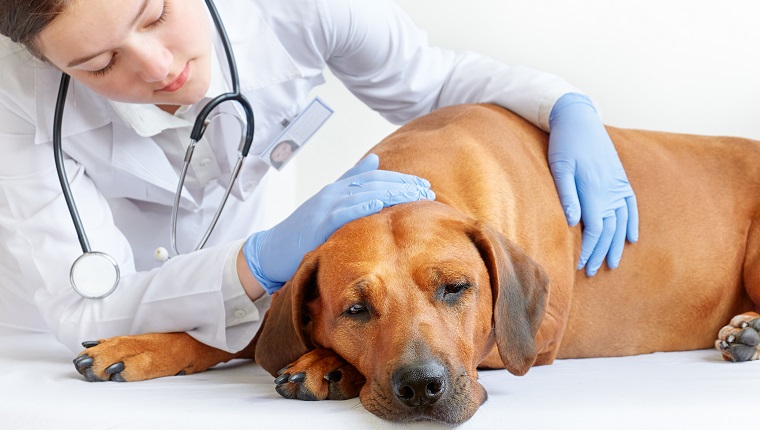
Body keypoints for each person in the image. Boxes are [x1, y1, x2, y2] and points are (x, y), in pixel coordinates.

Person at [0, 0, 637, 355]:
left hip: (272, 325)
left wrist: (563, 105)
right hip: (49, 351)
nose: (159, 66)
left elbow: (435, 85)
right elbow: (85, 305)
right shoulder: (15, 99)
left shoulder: (296, 6)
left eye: (155, 13)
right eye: (99, 62)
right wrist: (258, 260)